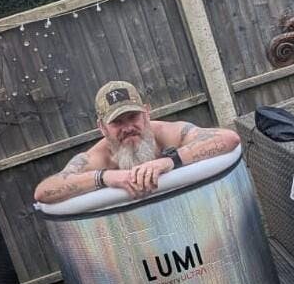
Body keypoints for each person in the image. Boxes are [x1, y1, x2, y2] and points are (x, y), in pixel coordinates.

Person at [34, 81, 240, 204]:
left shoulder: (168, 134)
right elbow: (44, 192)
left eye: (132, 117)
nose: (127, 128)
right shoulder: (99, 158)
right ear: (102, 127)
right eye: (117, 122)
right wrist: (105, 177)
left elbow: (229, 138)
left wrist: (169, 161)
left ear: (146, 113)